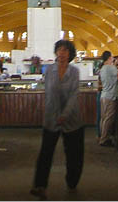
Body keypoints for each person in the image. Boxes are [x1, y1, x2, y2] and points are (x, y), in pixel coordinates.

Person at [30, 40, 84, 201]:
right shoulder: (49, 70)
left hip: (72, 119)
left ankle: (72, 181)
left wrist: (65, 115)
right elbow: (49, 94)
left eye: (65, 51)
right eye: (59, 50)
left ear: (70, 54)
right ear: (56, 52)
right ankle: (40, 185)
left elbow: (74, 95)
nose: (62, 53)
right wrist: (53, 115)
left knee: (74, 155)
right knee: (45, 153)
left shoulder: (74, 72)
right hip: (51, 119)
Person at [98, 50, 118, 146]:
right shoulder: (110, 67)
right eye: (112, 57)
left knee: (103, 118)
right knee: (109, 118)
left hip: (104, 95)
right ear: (109, 58)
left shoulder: (103, 68)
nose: (113, 59)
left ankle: (102, 136)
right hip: (110, 96)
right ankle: (104, 140)